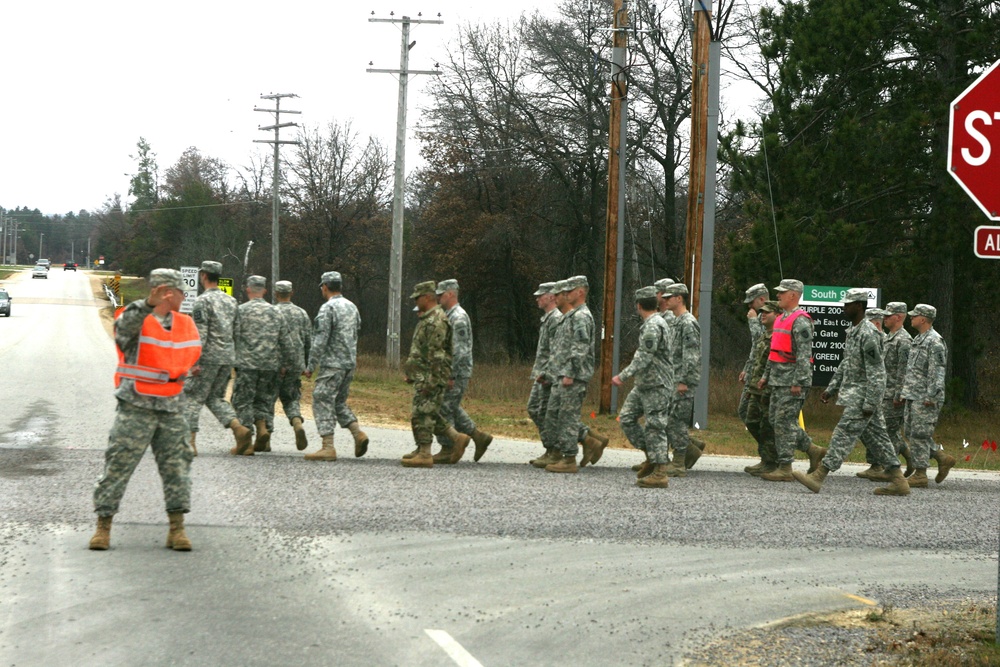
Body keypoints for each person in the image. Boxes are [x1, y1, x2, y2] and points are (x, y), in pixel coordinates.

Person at [90, 269, 202, 551]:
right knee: (118, 465)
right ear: (167, 291)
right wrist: (147, 305)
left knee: (178, 468)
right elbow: (123, 332)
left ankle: (177, 528)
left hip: (172, 406)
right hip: (136, 406)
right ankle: (103, 527)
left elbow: (191, 354)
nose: (184, 296)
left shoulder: (185, 323)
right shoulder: (136, 317)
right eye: (180, 291)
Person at [791, 289, 910, 496]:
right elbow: (847, 363)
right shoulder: (853, 331)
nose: (844, 308)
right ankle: (899, 480)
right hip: (855, 394)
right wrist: (832, 389)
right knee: (879, 439)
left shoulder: (868, 333)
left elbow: (877, 371)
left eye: (848, 304)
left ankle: (818, 476)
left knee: (842, 434)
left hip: (863, 397)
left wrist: (871, 402)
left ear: (860, 306)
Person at [758, 279, 827, 482]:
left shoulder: (801, 320)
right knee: (775, 420)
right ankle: (812, 449)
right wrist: (765, 377)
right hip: (778, 379)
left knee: (785, 422)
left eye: (782, 292)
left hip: (792, 381)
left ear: (793, 295)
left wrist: (799, 381)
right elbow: (774, 352)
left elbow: (805, 354)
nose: (777, 295)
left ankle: (785, 467)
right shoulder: (781, 319)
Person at [183, 260, 252, 455]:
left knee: (193, 397)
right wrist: (235, 358)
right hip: (227, 356)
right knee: (215, 397)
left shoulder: (201, 301)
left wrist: (194, 362)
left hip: (208, 357)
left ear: (203, 275)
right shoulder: (231, 301)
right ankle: (239, 428)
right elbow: (237, 332)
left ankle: (189, 443)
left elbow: (201, 334)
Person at [401, 281, 470, 468]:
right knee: (424, 412)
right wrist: (412, 372)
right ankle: (454, 438)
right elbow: (420, 351)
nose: (416, 301)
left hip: (431, 377)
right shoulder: (428, 319)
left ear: (427, 297)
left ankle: (425, 452)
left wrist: (431, 381)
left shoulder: (437, 320)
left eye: (418, 297)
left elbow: (437, 355)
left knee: (424, 412)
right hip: (423, 375)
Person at [302, 271, 369, 461]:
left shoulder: (328, 308)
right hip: (349, 363)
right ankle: (358, 434)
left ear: (325, 286)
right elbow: (356, 331)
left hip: (332, 364)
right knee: (338, 402)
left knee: (321, 398)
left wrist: (310, 366)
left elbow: (320, 340)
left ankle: (328, 447)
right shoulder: (352, 307)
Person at [612, 286, 674, 488]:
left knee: (655, 425)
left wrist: (623, 375)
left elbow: (644, 356)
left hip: (657, 384)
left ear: (638, 305)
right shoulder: (653, 323)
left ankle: (660, 471)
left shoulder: (653, 326)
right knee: (627, 418)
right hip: (644, 384)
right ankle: (652, 456)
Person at [432, 279, 494, 464]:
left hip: (456, 372)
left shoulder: (458, 317)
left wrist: (451, 374)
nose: (438, 298)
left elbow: (459, 350)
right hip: (453, 371)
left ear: (451, 294)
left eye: (441, 295)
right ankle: (478, 436)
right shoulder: (449, 315)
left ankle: (448, 448)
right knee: (451, 406)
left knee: (444, 408)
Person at [543, 275, 599, 473]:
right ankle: (564, 452)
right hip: (562, 375)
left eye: (569, 291)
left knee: (568, 417)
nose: (565, 295)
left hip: (572, 377)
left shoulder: (582, 316)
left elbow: (580, 348)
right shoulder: (573, 315)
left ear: (580, 292)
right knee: (555, 415)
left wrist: (570, 373)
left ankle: (569, 458)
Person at [231, 276, 292, 454]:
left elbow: (232, 336)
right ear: (265, 291)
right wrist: (286, 365)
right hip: (270, 365)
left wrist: (231, 359)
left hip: (247, 365)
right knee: (263, 401)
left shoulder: (240, 311)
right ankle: (263, 428)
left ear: (248, 289)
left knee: (243, 402)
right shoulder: (276, 312)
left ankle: (246, 444)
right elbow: (286, 342)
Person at [900, 304, 955, 487]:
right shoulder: (919, 339)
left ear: (923, 319)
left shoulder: (934, 341)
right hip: (913, 395)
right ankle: (941, 457)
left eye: (914, 316)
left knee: (920, 434)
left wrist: (932, 396)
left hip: (925, 396)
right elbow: (914, 370)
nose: (911, 318)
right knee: (910, 432)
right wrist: (905, 392)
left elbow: (937, 372)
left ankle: (920, 473)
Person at [660, 283, 702, 476]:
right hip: (673, 378)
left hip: (682, 380)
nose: (665, 300)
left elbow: (691, 355)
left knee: (676, 420)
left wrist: (684, 380)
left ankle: (678, 463)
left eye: (669, 297)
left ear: (679, 299)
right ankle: (689, 451)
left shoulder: (687, 322)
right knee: (670, 419)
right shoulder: (677, 321)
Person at [273, 280, 312, 451]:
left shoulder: (272, 312)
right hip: (296, 363)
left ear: (275, 293)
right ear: (292, 293)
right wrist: (307, 364)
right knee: (291, 397)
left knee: (268, 399)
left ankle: (264, 436)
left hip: (275, 364)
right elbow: (309, 340)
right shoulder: (302, 313)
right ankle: (297, 422)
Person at [743, 300, 781, 476]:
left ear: (777, 315)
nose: (763, 315)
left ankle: (771, 461)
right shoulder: (763, 335)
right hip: (755, 387)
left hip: (769, 388)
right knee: (751, 421)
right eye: (762, 312)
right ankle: (766, 457)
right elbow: (756, 360)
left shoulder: (778, 336)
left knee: (767, 426)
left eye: (768, 312)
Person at [527, 281, 561, 466]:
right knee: (535, 409)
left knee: (546, 412)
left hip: (548, 374)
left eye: (541, 295)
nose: (537, 299)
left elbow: (556, 351)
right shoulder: (548, 318)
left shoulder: (556, 318)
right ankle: (552, 447)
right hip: (542, 372)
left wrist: (548, 373)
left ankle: (554, 449)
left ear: (551, 296)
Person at [881, 302, 914, 474]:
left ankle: (891, 471)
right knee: (888, 431)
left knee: (888, 432)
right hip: (884, 392)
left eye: (889, 315)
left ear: (899, 317)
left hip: (894, 395)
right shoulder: (888, 337)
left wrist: (899, 394)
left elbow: (904, 370)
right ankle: (909, 457)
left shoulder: (904, 340)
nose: (885, 318)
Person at [738, 283, 770, 425]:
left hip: (764, 371)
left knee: (750, 411)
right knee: (745, 411)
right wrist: (747, 368)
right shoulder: (759, 317)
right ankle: (767, 442)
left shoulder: (770, 317)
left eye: (752, 302)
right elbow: (754, 349)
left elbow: (761, 342)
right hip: (754, 370)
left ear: (762, 300)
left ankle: (768, 442)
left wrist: (752, 321)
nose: (750, 306)